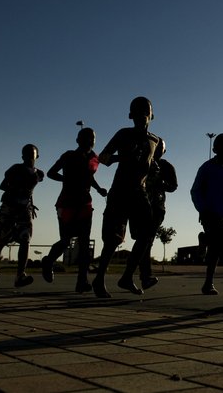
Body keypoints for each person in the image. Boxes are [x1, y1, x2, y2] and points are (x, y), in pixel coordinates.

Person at [93, 96, 160, 298]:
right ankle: (99, 280)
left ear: (152, 115)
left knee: (147, 233)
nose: (142, 117)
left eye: (145, 113)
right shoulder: (123, 134)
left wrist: (153, 168)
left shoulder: (154, 140)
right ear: (130, 115)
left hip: (139, 193)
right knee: (113, 240)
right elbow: (101, 158)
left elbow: (150, 163)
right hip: (120, 191)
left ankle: (127, 276)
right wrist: (120, 157)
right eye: (137, 113)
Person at [42, 127, 108, 293]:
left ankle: (82, 281)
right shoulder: (68, 156)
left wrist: (99, 189)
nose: (90, 141)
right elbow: (51, 173)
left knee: (84, 244)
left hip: (85, 204)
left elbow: (89, 177)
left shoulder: (95, 158)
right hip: (67, 203)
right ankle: (48, 261)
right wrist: (67, 179)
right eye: (86, 137)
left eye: (93, 138)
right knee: (65, 240)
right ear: (78, 140)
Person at [0, 144, 44, 288]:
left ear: (37, 156)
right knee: (2, 239)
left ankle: (20, 275)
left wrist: (31, 203)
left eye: (32, 154)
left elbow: (30, 190)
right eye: (27, 154)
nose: (29, 157)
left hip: (25, 209)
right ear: (22, 156)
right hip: (10, 207)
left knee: (25, 240)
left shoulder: (39, 174)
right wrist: (16, 187)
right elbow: (3, 186)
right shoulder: (15, 169)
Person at [190, 133, 223, 295]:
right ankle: (208, 284)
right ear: (214, 149)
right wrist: (202, 209)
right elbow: (195, 190)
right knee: (215, 247)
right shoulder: (206, 168)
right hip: (208, 212)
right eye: (220, 148)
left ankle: (204, 239)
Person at [139, 137, 177, 290]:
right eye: (157, 147)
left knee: (146, 241)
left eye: (161, 148)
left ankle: (145, 275)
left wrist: (162, 184)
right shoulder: (143, 162)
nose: (159, 150)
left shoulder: (166, 166)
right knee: (143, 241)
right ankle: (141, 275)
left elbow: (173, 186)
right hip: (141, 205)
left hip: (157, 208)